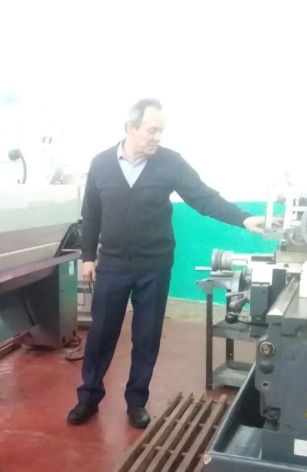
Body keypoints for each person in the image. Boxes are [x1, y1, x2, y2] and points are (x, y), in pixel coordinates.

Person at [68, 98, 265, 429]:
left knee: (147, 336)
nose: (157, 137)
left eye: (161, 131)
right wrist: (88, 256)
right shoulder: (101, 164)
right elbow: (91, 213)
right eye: (152, 130)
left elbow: (202, 197)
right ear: (131, 128)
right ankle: (88, 397)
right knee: (101, 334)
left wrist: (242, 218)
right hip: (113, 264)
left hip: (154, 265)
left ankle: (136, 401)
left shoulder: (170, 162)